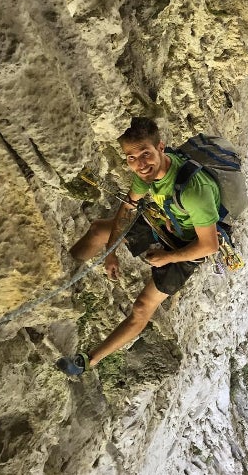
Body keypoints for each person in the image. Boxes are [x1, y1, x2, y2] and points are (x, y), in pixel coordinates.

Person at [56, 117, 222, 376]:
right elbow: (128, 206)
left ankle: (89, 361)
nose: (140, 164)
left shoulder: (193, 190)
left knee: (143, 308)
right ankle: (60, 279)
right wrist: (110, 251)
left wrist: (168, 258)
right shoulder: (146, 174)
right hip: (166, 219)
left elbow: (209, 246)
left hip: (189, 245)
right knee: (101, 229)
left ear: (161, 147)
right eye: (131, 157)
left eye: (145, 154)